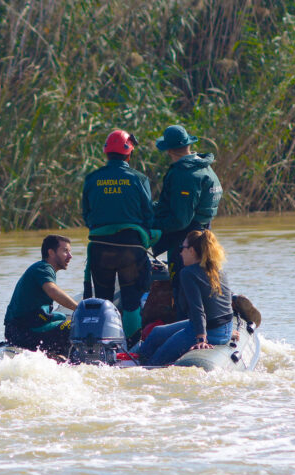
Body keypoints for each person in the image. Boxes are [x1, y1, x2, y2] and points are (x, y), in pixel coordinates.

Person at [82, 129, 155, 342]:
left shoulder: (92, 178)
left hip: (100, 247)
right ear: (129, 154)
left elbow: (86, 215)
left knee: (103, 299)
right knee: (132, 300)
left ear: (106, 154)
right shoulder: (139, 178)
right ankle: (134, 347)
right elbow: (148, 214)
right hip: (131, 249)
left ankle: (102, 344)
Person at [138, 230, 233, 366]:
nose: (180, 253)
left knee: (157, 359)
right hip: (223, 329)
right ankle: (139, 358)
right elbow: (225, 304)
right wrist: (228, 332)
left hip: (206, 331)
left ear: (192, 251)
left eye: (182, 248)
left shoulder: (188, 273)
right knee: (157, 332)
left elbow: (196, 307)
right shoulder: (217, 269)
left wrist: (201, 339)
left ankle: (141, 365)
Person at [151, 125, 223, 291]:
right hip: (205, 236)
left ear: (169, 151)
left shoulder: (184, 175)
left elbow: (180, 220)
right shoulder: (205, 167)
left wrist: (152, 225)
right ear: (188, 145)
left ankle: (185, 315)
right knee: (205, 282)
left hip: (186, 241)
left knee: (181, 287)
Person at [3, 234, 79, 357]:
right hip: (22, 331)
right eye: (65, 251)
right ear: (51, 253)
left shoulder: (42, 269)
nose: (70, 256)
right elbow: (52, 290)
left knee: (66, 317)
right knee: (75, 325)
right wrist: (80, 308)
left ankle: (56, 355)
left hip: (22, 328)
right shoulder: (43, 268)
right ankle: (66, 361)